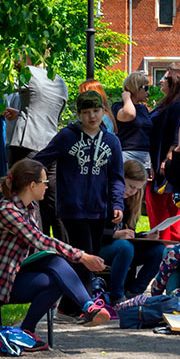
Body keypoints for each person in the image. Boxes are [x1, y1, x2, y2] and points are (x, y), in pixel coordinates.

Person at [0, 158, 111, 346]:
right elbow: (40, 240)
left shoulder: (29, 207)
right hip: (1, 285)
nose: (47, 187)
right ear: (32, 185)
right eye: (45, 182)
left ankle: (29, 331)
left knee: (56, 270)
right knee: (56, 269)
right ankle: (85, 308)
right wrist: (82, 256)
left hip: (18, 274)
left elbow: (38, 247)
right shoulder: (6, 211)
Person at [32, 90, 125, 288]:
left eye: (96, 110)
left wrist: (117, 203)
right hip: (72, 209)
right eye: (86, 112)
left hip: (99, 209)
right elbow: (41, 159)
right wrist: (13, 177)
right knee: (84, 256)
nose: (92, 116)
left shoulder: (112, 141)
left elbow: (117, 177)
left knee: (91, 257)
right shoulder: (67, 136)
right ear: (78, 115)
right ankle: (82, 304)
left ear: (103, 111)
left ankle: (72, 304)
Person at [2, 60, 68, 237]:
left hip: (27, 144)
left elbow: (1, 84)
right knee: (52, 202)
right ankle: (64, 250)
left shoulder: (28, 73)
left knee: (30, 199)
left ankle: (35, 249)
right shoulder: (59, 80)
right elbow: (46, 111)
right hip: (51, 144)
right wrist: (22, 113)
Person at [98, 160, 165, 304]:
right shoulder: (103, 197)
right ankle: (117, 296)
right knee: (125, 247)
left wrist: (144, 236)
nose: (132, 192)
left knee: (159, 250)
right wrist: (115, 235)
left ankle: (134, 293)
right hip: (100, 248)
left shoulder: (130, 202)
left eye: (137, 189)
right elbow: (91, 231)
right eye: (130, 186)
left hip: (122, 250)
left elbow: (128, 231)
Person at [147, 69, 180, 243]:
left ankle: (164, 248)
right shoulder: (167, 103)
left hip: (166, 165)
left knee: (161, 210)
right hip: (158, 160)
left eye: (164, 79)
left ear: (174, 82)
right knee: (170, 213)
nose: (160, 82)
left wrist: (168, 159)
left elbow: (179, 132)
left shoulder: (179, 104)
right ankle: (177, 247)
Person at [114, 70, 155, 173]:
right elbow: (130, 114)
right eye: (145, 88)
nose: (147, 92)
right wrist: (127, 98)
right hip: (127, 154)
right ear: (135, 88)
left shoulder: (143, 109)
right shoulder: (118, 107)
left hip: (145, 156)